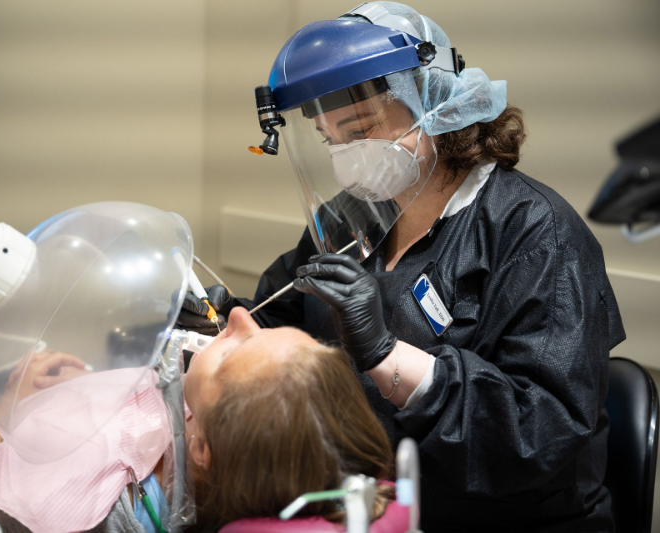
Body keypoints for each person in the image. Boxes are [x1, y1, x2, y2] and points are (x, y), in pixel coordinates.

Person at [177, 3, 625, 531]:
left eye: (361, 129)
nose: (346, 154)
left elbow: (538, 436)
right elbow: (282, 316)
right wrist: (217, 318)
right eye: (330, 139)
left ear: (432, 101)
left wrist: (388, 356)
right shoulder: (347, 221)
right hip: (361, 506)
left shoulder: (535, 235)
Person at [0, 249, 400, 532]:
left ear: (202, 442)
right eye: (263, 328)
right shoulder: (236, 454)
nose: (239, 316)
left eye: (236, 348)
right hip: (46, 404)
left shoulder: (92, 514)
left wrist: (9, 403)